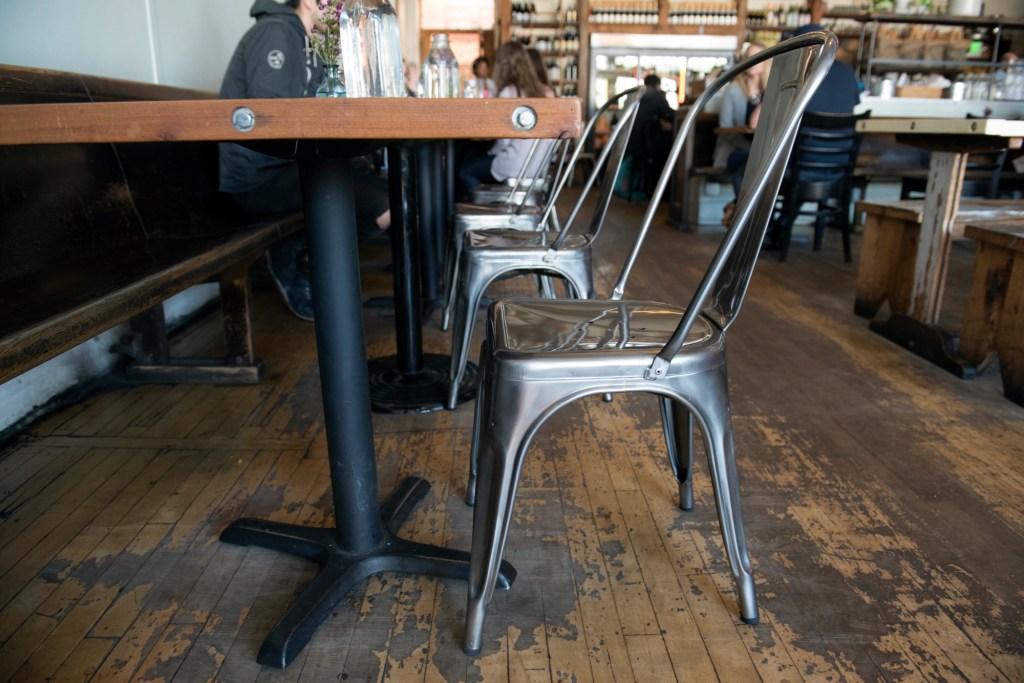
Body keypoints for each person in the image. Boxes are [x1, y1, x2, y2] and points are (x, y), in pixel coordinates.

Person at [218, 0, 391, 321]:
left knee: (395, 194)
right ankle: (293, 251)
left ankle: (303, 254)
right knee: (383, 207)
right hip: (259, 177)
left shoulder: (307, 38)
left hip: (291, 167)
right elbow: (270, 115)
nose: (341, 7)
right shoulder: (275, 32)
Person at [457, 41, 554, 195]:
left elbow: (504, 141)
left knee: (465, 171)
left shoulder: (509, 93)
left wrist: (491, 153)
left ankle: (487, 204)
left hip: (514, 165)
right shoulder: (546, 93)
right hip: (537, 167)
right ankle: (499, 203)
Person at [713, 42, 768, 225]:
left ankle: (739, 210)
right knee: (754, 162)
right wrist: (752, 147)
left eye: (758, 57)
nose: (753, 62)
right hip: (732, 150)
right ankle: (751, 221)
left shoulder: (772, 91)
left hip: (758, 152)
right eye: (749, 57)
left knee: (759, 163)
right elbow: (725, 129)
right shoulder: (734, 89)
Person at [626, 73, 676, 200]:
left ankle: (646, 190)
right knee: (669, 155)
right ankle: (659, 194)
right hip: (647, 148)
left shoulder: (633, 95)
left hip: (630, 145)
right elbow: (671, 115)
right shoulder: (656, 96)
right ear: (657, 85)